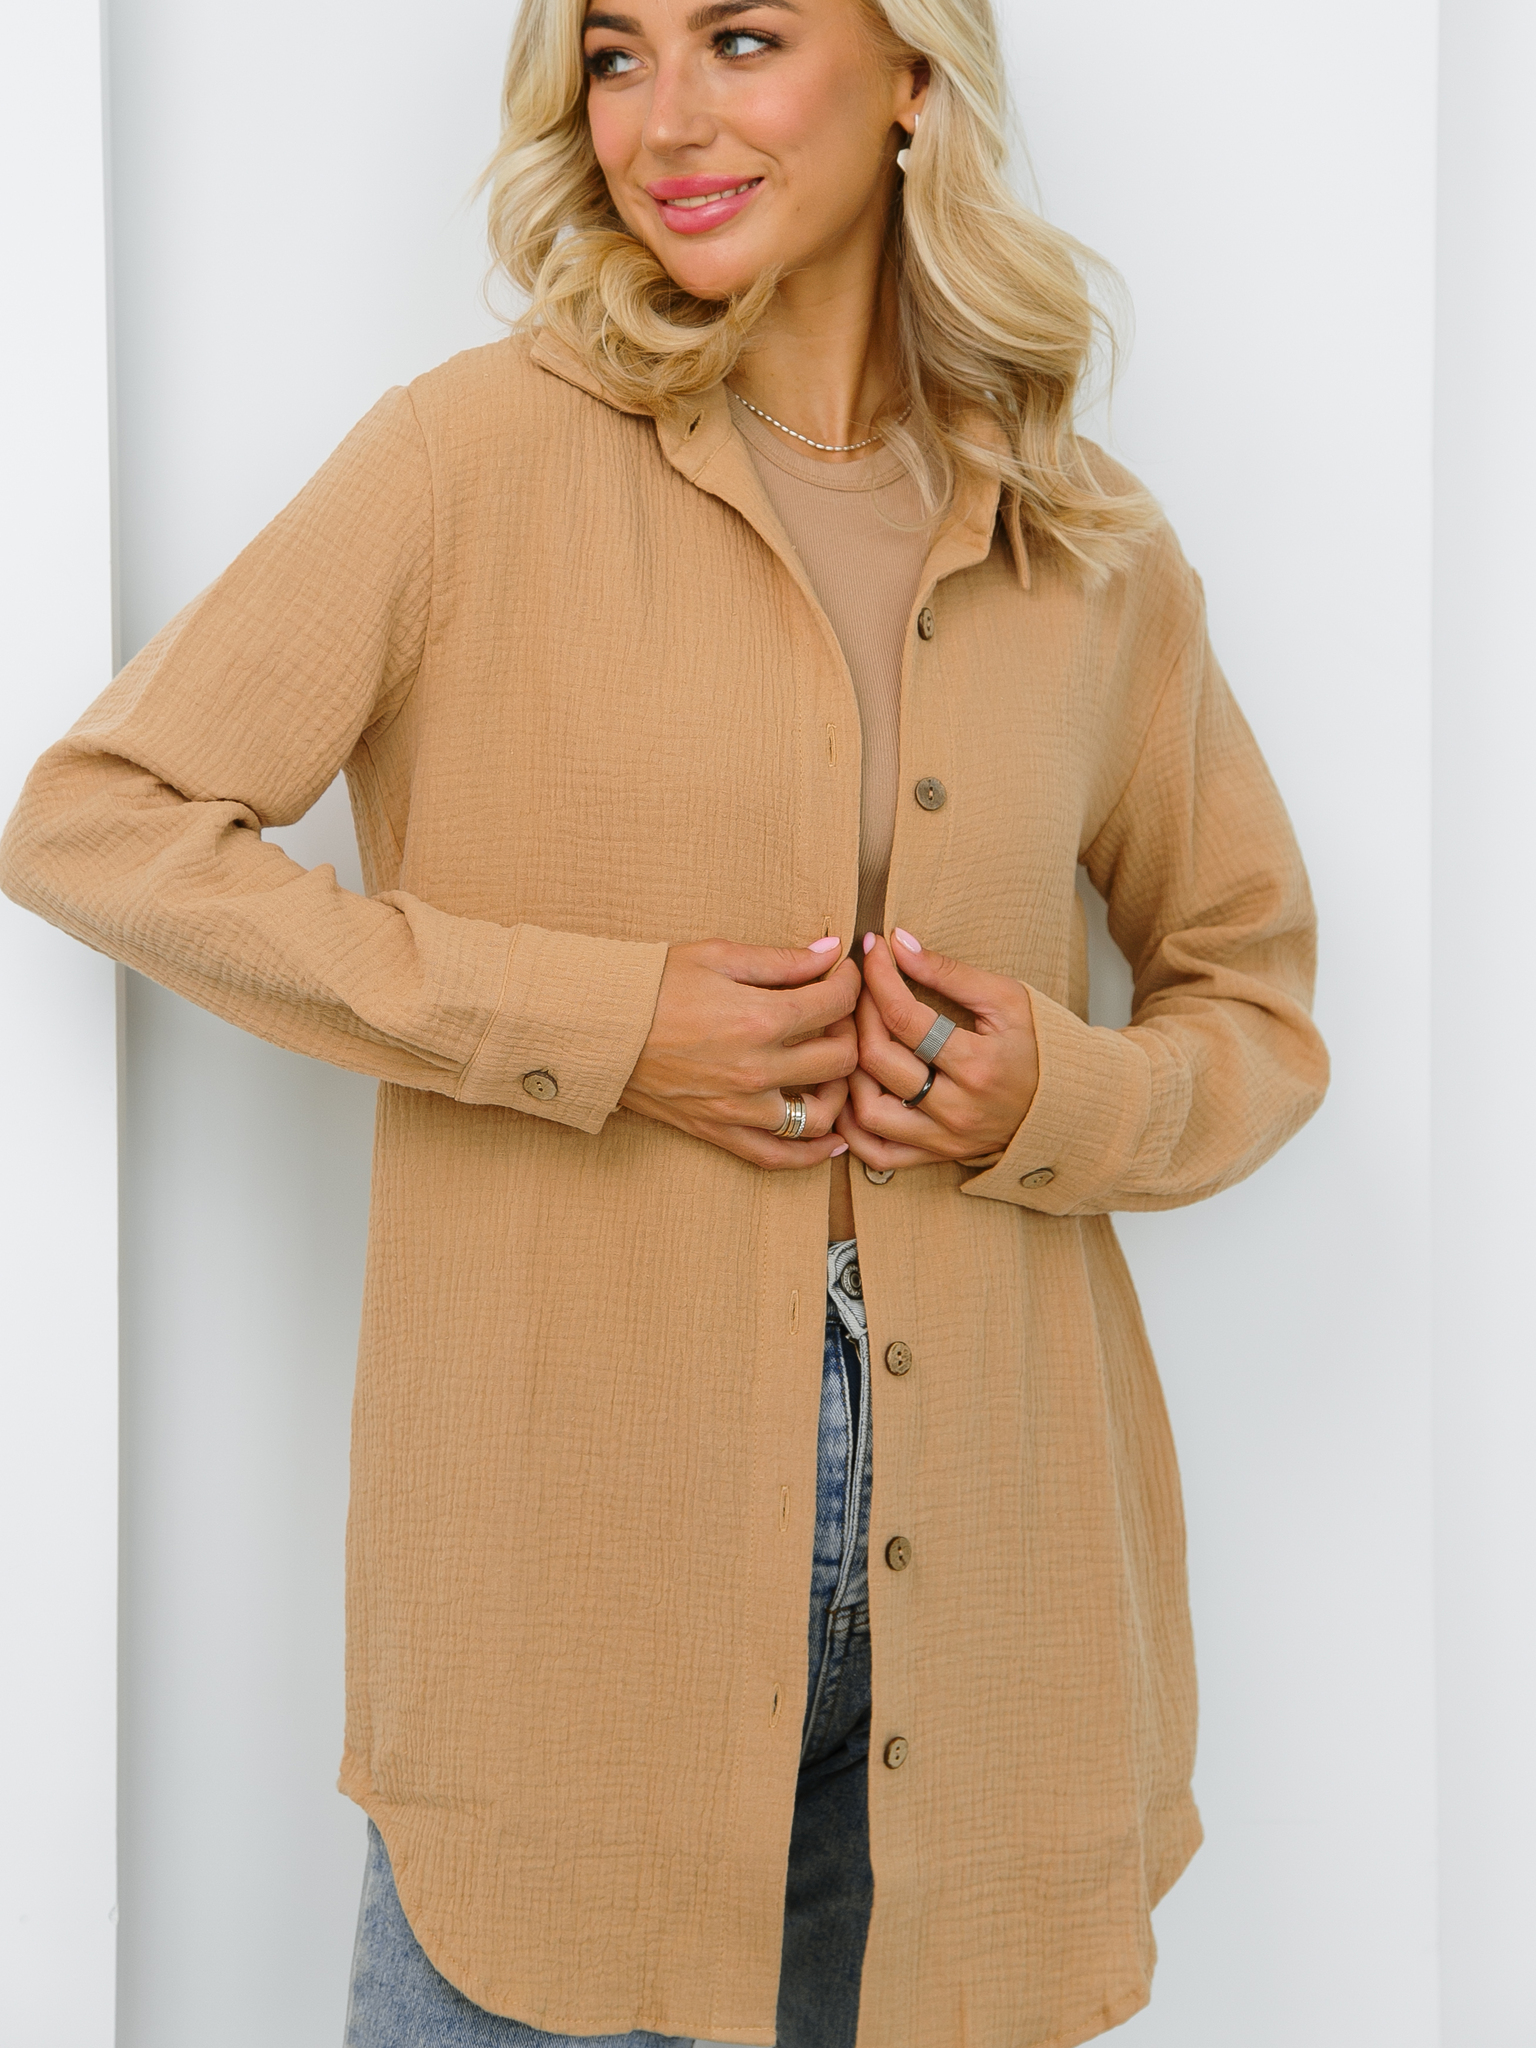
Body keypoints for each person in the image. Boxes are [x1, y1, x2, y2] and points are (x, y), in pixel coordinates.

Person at [0, 0, 1329, 2041]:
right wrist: (599, 1022)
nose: (662, 120)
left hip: (998, 1581)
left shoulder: (1085, 536)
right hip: (576, 1569)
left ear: (913, 77)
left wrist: (1053, 1092)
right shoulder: (470, 458)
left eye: (740, 37)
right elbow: (98, 823)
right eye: (615, 55)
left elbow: (1251, 999)